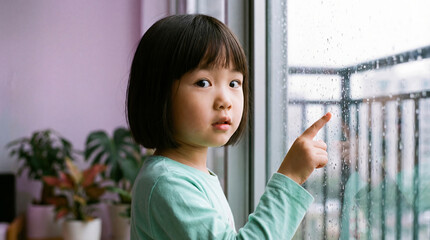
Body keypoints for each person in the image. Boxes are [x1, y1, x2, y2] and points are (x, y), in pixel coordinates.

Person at [126, 14, 332, 239]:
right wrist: (290, 176)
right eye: (203, 83)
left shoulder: (188, 176)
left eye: (234, 83)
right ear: (157, 93)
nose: (225, 99)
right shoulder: (166, 184)